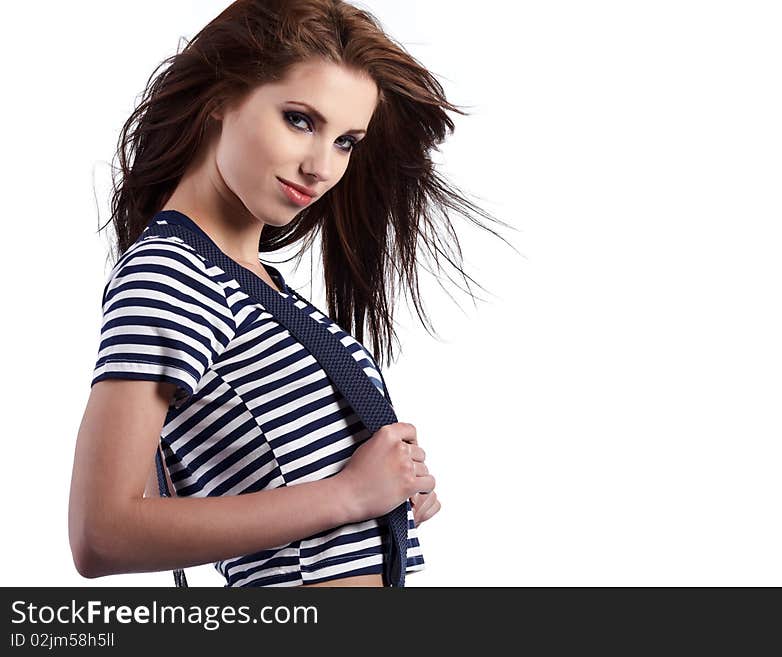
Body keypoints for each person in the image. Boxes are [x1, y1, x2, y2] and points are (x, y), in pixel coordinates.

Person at [68, 0, 513, 587]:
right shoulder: (169, 275)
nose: (320, 166)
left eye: (346, 142)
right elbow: (102, 534)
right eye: (300, 120)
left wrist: (389, 501)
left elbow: (190, 490)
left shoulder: (257, 284)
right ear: (222, 98)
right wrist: (349, 494)